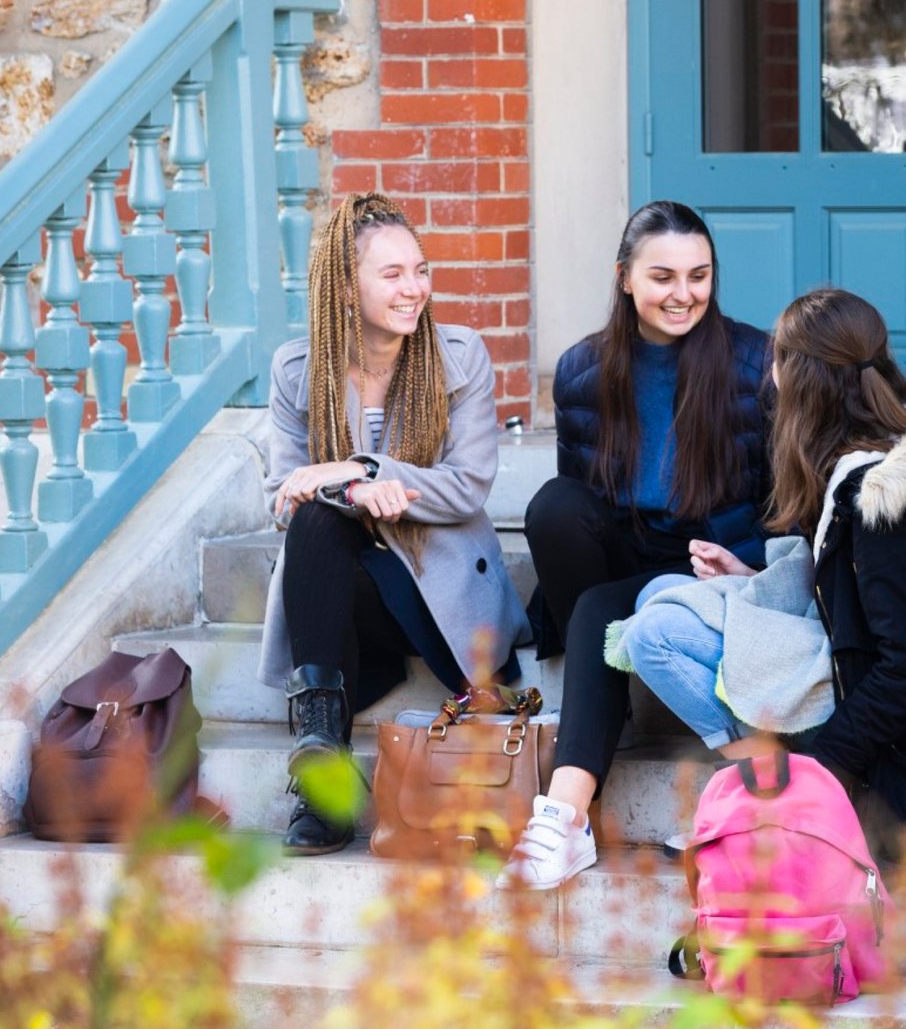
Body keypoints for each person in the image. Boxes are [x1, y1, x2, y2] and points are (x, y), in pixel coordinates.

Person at [498, 200, 771, 890]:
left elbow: (780, 496)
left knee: (595, 610)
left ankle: (564, 814)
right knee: (555, 511)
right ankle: (588, 755)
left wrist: (749, 564)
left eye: (699, 276)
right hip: (625, 555)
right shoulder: (584, 369)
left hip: (708, 564)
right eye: (663, 277)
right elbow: (579, 499)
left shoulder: (753, 362)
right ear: (625, 279)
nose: (684, 294)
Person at [259, 192, 528, 856]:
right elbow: (284, 494)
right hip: (346, 588)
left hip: (435, 588)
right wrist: (350, 491)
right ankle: (322, 754)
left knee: (331, 510)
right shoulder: (300, 371)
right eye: (393, 275)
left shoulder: (459, 356)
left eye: (421, 270)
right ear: (347, 290)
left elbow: (467, 487)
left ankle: (322, 777)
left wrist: (356, 471)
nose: (415, 289)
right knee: (320, 528)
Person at [622, 288, 906, 864]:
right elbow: (846, 599)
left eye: (778, 360)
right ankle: (767, 786)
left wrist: (825, 771)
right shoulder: (854, 461)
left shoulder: (877, 495)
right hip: (833, 665)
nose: (769, 375)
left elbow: (900, 664)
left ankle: (772, 795)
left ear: (800, 380)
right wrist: (748, 572)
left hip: (863, 730)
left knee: (651, 635)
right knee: (660, 594)